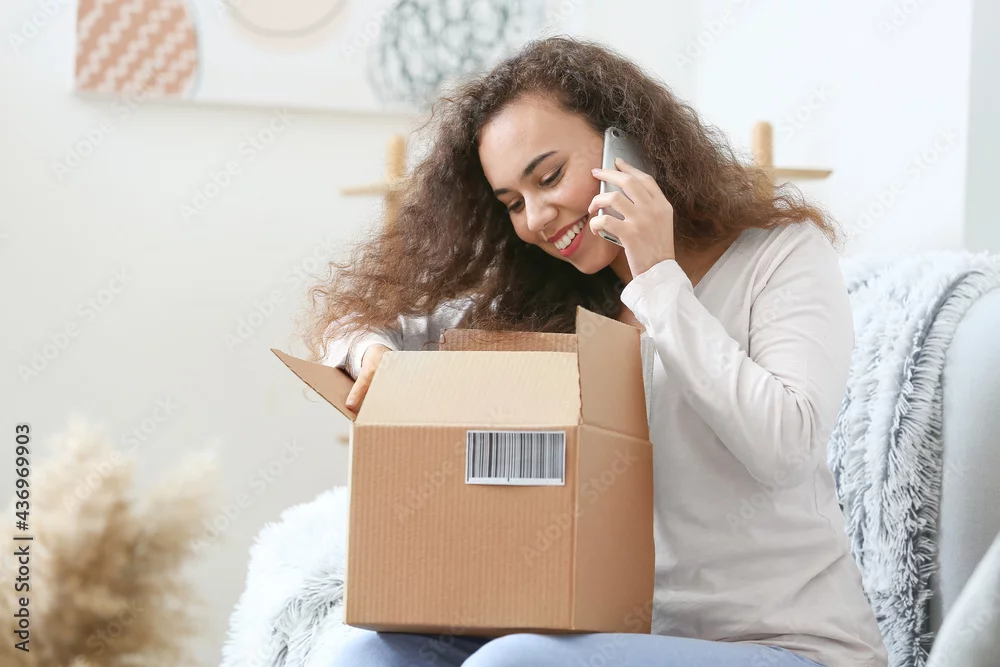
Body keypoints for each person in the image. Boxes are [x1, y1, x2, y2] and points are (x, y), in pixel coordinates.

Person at [302, 36, 888, 667]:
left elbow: (784, 446)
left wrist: (657, 277)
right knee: (359, 654)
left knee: (514, 663)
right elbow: (354, 327)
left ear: (628, 146)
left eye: (549, 177)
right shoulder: (554, 303)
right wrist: (371, 357)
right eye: (513, 204)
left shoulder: (780, 258)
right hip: (610, 637)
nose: (536, 218)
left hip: (786, 647)